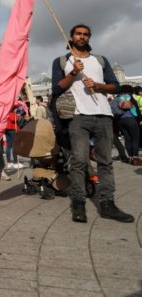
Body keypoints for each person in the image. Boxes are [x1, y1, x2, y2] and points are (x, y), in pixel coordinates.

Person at [52, 23, 133, 223]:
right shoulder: (62, 61)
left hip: (104, 115)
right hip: (78, 117)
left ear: (89, 38)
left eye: (86, 34)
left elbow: (115, 87)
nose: (82, 37)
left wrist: (97, 85)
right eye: (78, 34)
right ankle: (78, 203)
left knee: (105, 161)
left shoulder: (100, 60)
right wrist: (73, 73)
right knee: (79, 162)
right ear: (71, 38)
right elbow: (56, 89)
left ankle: (107, 203)